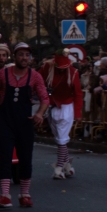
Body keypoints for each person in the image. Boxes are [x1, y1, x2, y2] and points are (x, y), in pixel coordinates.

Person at [0, 43, 50, 210]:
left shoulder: (35, 76)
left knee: (25, 159)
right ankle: (5, 195)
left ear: (30, 58)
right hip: (6, 122)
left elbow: (45, 98)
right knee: (5, 158)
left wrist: (40, 114)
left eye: (27, 55)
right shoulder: (3, 75)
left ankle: (25, 194)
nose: (24, 58)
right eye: (21, 55)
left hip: (25, 123)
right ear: (15, 56)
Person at [40, 50, 84, 179]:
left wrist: (77, 113)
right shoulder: (47, 68)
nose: (61, 70)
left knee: (62, 140)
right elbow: (37, 81)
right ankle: (68, 166)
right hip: (52, 106)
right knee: (59, 138)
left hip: (66, 107)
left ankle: (58, 168)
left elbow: (78, 94)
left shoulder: (73, 72)